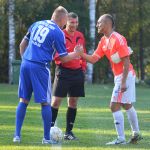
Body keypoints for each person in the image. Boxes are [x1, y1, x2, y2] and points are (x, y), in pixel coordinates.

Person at [13, 6, 83, 144]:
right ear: (63, 19)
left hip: (25, 64)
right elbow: (63, 58)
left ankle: (17, 136)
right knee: (45, 102)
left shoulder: (37, 23)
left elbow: (22, 44)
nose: (66, 23)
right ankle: (46, 138)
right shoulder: (58, 32)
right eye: (66, 20)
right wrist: (76, 54)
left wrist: (25, 60)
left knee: (23, 100)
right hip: (40, 67)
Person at [77, 14, 142, 145]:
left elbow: (126, 60)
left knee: (113, 105)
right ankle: (136, 134)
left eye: (99, 23)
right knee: (126, 104)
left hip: (125, 75)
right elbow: (94, 59)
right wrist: (81, 54)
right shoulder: (103, 41)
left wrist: (123, 81)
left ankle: (121, 138)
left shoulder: (118, 39)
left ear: (107, 24)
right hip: (121, 76)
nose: (97, 25)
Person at [51, 12, 87, 140]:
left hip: (77, 73)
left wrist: (83, 69)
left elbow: (83, 54)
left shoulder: (80, 36)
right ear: (66, 22)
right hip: (63, 71)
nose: (74, 25)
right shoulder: (59, 34)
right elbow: (57, 56)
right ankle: (49, 130)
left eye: (76, 22)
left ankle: (68, 132)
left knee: (73, 102)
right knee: (55, 101)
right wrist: (72, 54)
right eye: (72, 22)